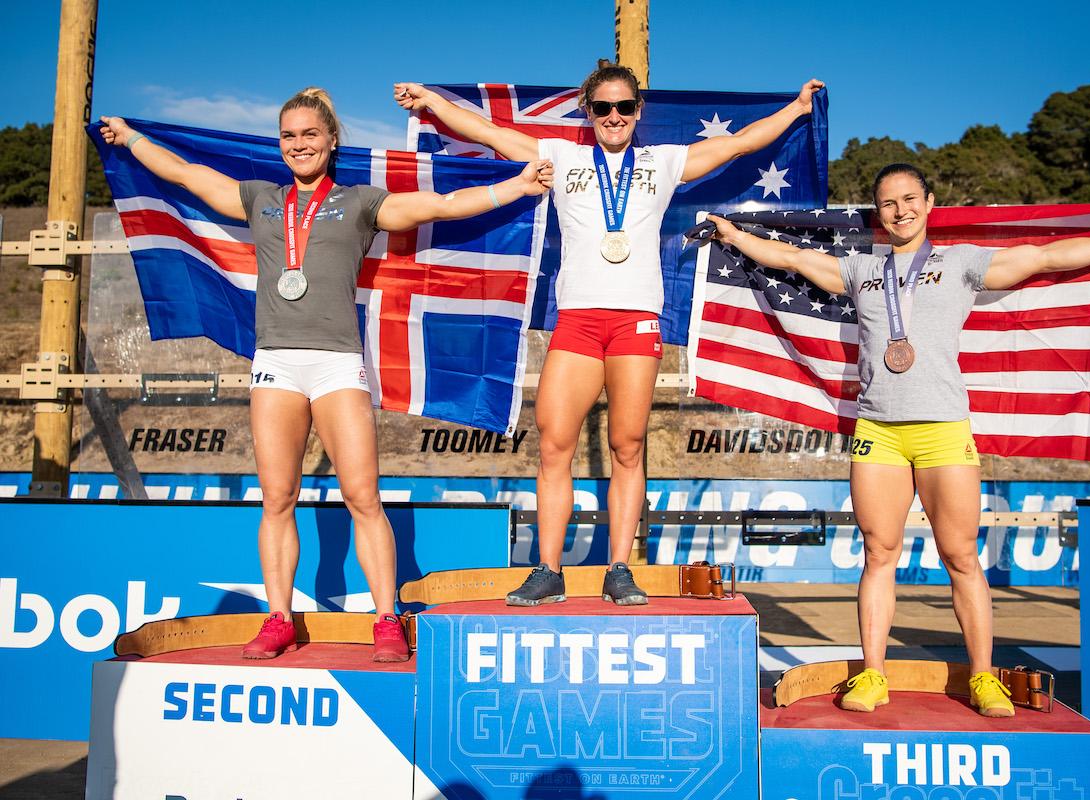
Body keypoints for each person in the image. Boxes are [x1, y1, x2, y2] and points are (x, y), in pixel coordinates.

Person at [99, 88, 553, 661]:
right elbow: (188, 175)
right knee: (278, 499)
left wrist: (515, 186)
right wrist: (132, 137)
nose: (299, 145)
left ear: (331, 140)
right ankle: (279, 617)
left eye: (310, 134)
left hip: (337, 364)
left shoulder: (360, 202)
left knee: (364, 496)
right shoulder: (261, 198)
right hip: (276, 364)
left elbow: (437, 207)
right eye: (289, 136)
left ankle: (386, 618)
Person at [708, 163, 1090, 715]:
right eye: (887, 203)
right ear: (877, 213)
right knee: (879, 554)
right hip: (878, 430)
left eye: (909, 199)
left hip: (945, 430)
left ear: (929, 202)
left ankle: (983, 678)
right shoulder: (861, 269)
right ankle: (872, 674)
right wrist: (735, 236)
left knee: (961, 556)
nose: (900, 211)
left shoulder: (961, 261)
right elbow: (794, 259)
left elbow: (1044, 258)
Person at [396, 63, 825, 606]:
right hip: (576, 318)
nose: (615, 116)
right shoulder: (561, 154)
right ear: (588, 112)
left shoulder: (662, 160)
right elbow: (489, 133)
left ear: (638, 111)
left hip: (637, 318)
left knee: (627, 445)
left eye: (624, 107)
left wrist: (796, 109)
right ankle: (547, 570)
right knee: (554, 444)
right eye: (603, 108)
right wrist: (432, 103)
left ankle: (620, 568)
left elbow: (738, 145)